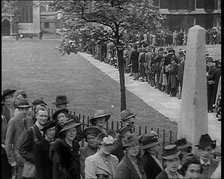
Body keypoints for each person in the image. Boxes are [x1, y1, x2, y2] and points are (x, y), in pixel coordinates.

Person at [5, 99, 34, 179]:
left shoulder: (30, 120)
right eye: (22, 109)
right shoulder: (13, 121)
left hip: (28, 156)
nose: (24, 112)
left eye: (26, 109)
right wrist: (11, 160)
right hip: (17, 156)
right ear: (18, 109)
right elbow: (8, 142)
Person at [19, 105, 48, 179]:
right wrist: (36, 159)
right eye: (41, 116)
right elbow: (22, 150)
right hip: (33, 171)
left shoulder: (48, 130)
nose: (43, 118)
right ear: (36, 116)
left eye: (45, 116)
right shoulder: (30, 131)